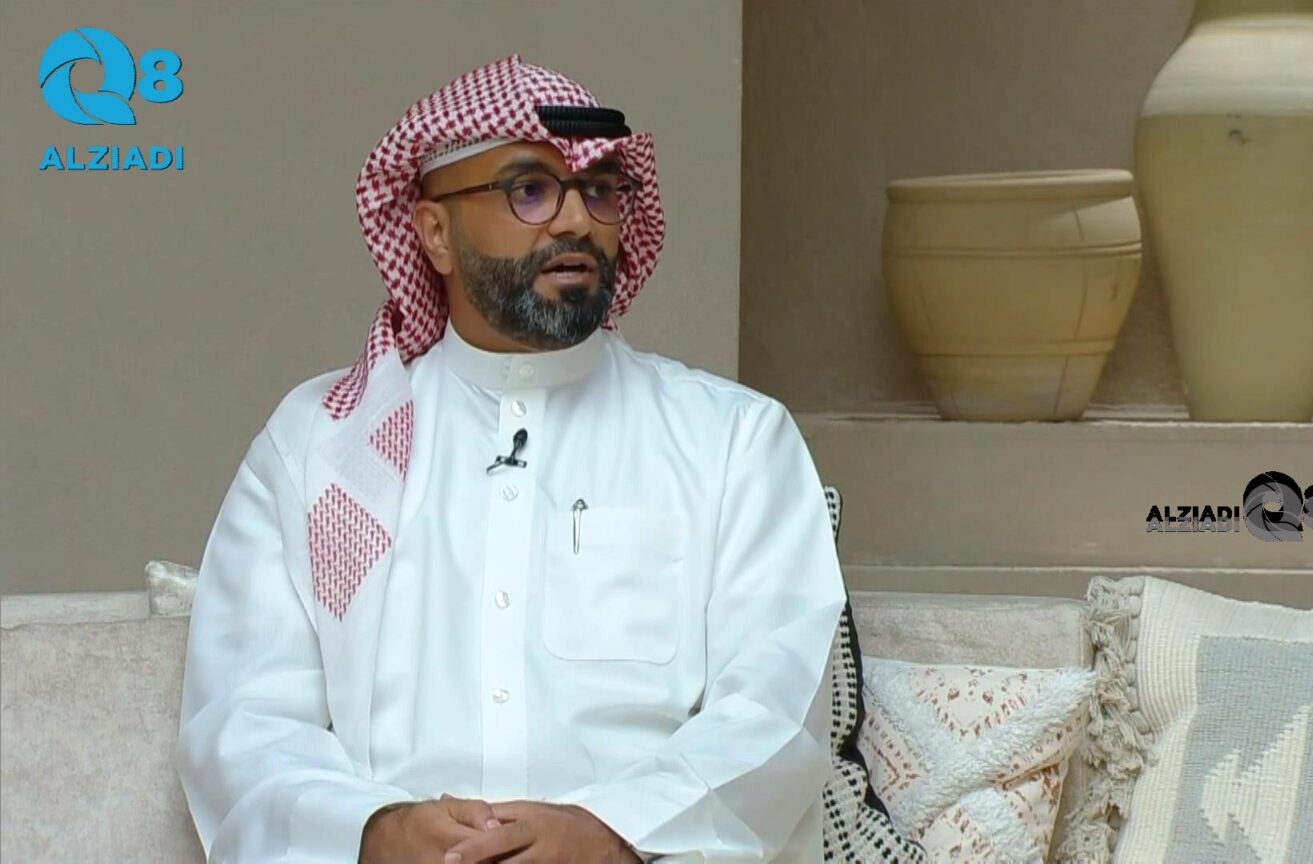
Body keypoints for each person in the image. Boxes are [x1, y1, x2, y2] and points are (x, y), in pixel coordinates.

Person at [175, 54, 846, 864]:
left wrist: (611, 833)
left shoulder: (733, 440)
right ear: (434, 233)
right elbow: (244, 720)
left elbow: (776, 709)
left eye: (599, 189)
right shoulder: (321, 445)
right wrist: (375, 832)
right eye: (530, 190)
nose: (575, 221)